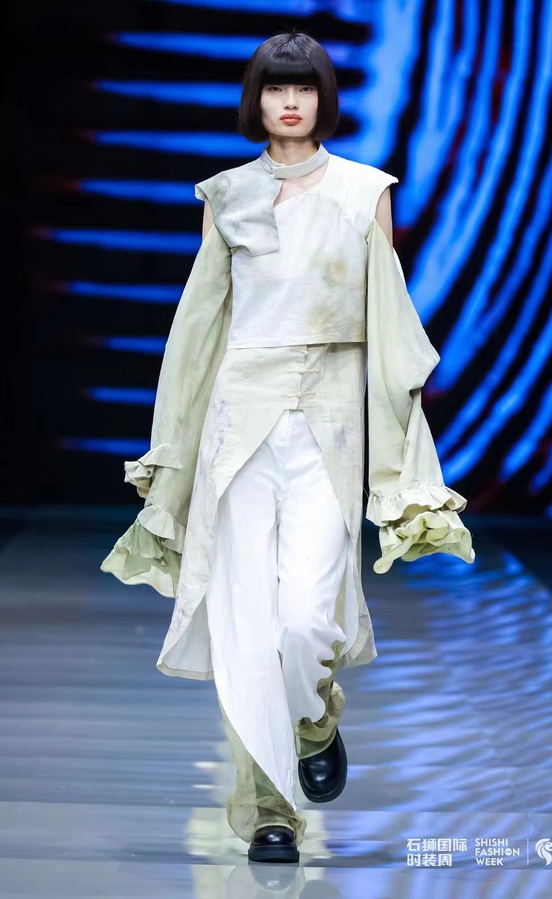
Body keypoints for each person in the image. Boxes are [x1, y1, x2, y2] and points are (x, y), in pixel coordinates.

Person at [101, 31, 475, 864]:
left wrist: (402, 457)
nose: (291, 102)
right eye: (276, 88)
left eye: (303, 87)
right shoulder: (225, 194)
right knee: (245, 623)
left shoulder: (363, 191)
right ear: (257, 100)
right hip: (238, 424)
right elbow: (199, 328)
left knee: (306, 618)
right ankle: (269, 810)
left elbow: (388, 327)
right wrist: (173, 447)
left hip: (330, 424)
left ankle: (314, 722)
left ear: (323, 97)